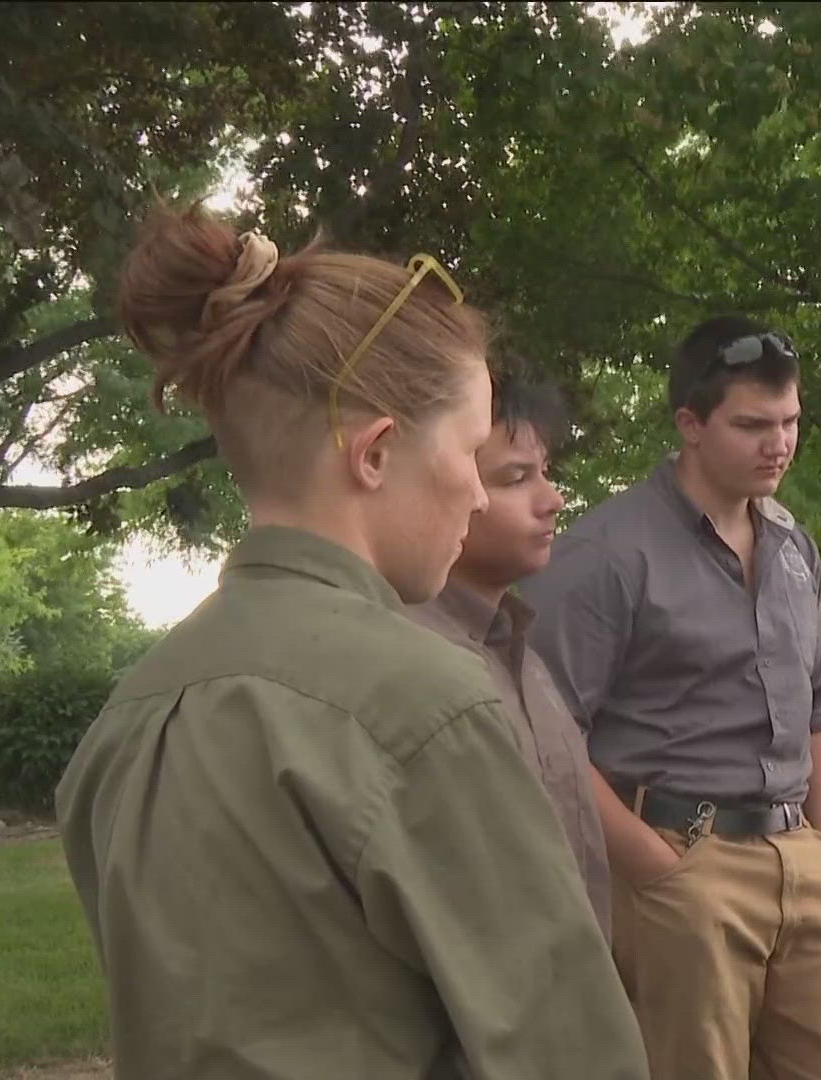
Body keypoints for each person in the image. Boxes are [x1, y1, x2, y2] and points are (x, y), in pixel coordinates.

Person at [54, 206, 647, 1080]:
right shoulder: (424, 704)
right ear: (373, 454)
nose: (480, 498)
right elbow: (568, 1055)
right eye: (469, 452)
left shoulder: (126, 719)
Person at [522, 315, 821, 1079]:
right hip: (681, 858)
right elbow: (542, 731)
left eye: (790, 421)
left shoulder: (793, 545)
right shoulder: (608, 552)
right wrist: (658, 868)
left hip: (803, 855)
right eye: (753, 425)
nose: (779, 443)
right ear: (689, 423)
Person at [405, 368, 614, 934]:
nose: (553, 498)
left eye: (545, 472)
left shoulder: (521, 651)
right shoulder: (411, 666)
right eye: (515, 478)